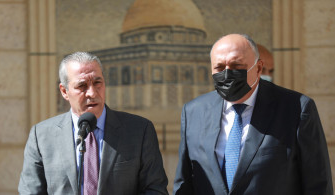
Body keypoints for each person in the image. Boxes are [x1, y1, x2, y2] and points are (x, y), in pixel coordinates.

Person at [173, 34, 332, 195]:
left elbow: (317, 185)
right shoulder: (194, 112)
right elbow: (184, 183)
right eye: (219, 68)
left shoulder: (296, 108)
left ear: (258, 68)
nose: (227, 74)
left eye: (237, 66)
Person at [18, 52, 168, 195]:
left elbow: (155, 189)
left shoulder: (139, 131)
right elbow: (30, 191)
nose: (92, 93)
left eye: (97, 83)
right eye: (82, 86)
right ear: (64, 91)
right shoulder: (42, 136)